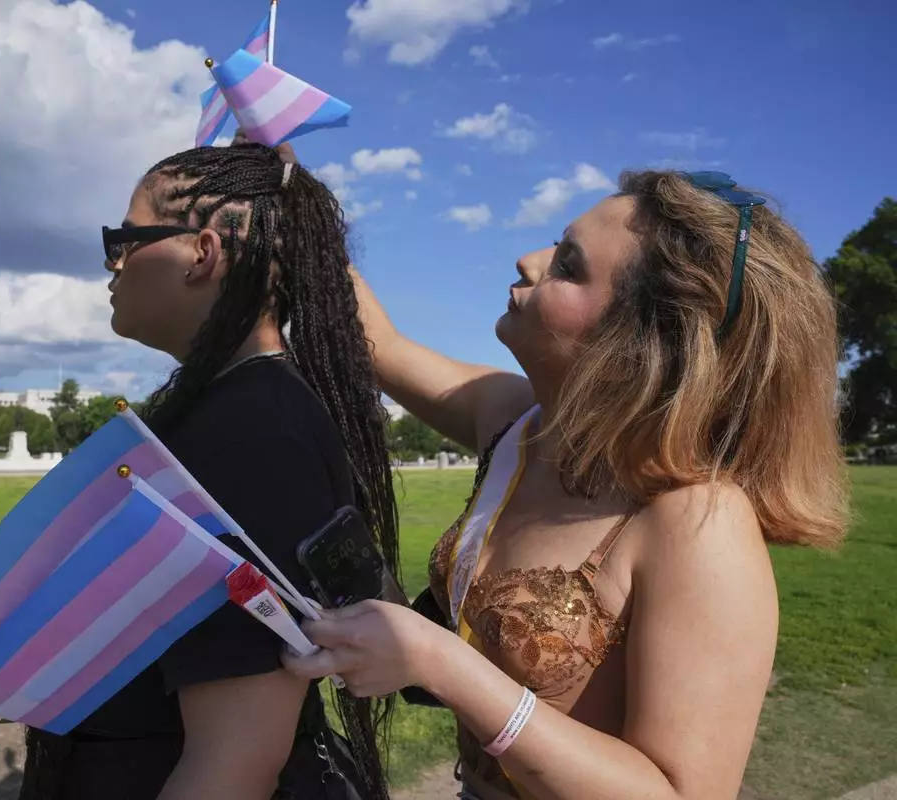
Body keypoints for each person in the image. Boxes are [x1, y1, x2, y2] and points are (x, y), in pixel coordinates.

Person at [282, 170, 848, 800]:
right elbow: (375, 344)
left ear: (639, 341)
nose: (529, 260)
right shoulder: (512, 422)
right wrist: (285, 183)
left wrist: (439, 664)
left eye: (568, 266)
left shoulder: (697, 521)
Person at [17, 141, 400, 800]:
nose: (112, 263)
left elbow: (235, 760)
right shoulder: (226, 407)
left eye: (125, 238)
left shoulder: (254, 426)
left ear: (202, 252)